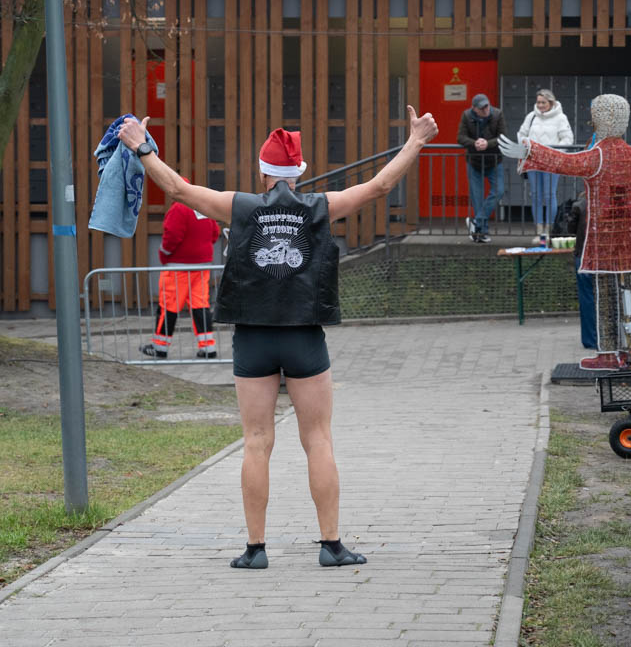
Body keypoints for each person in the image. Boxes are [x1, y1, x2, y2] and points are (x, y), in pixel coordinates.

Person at [118, 106, 439, 570]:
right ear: (299, 172)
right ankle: (331, 546)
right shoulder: (320, 206)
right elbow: (380, 187)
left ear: (263, 172)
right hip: (305, 337)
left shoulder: (240, 206)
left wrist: (142, 147)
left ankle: (255, 550)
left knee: (255, 441)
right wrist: (415, 141)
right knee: (319, 440)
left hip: (253, 338)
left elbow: (177, 189)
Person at [500, 94, 631, 372]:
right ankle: (626, 349)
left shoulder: (598, 156)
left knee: (606, 295)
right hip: (625, 238)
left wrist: (529, 151)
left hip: (602, 239)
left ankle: (608, 353)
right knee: (624, 294)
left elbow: (563, 162)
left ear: (602, 120)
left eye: (595, 116)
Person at [139, 192, 221, 359]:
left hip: (178, 267)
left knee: (168, 306)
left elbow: (172, 237)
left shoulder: (178, 209)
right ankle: (208, 347)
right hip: (202, 265)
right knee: (200, 305)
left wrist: (164, 254)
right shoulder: (200, 206)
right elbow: (215, 232)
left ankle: (160, 347)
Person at [517, 89, 574, 244]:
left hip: (550, 163)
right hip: (534, 161)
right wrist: (527, 146)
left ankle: (549, 230)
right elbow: (521, 134)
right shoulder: (531, 116)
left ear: (551, 102)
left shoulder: (561, 118)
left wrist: (552, 152)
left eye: (544, 102)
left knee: (549, 195)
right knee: (535, 194)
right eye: (538, 102)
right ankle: (539, 231)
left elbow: (568, 139)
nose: (540, 105)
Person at [457, 93, 505, 243]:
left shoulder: (497, 114)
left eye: (487, 106)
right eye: (482, 108)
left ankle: (476, 222)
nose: (485, 110)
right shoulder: (466, 116)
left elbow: (503, 137)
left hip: (494, 160)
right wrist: (474, 143)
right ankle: (481, 233)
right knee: (477, 198)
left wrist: (487, 144)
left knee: (499, 191)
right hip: (474, 161)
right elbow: (461, 137)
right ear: (474, 109)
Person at [565, 189, 596, 351]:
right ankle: (609, 335)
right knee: (609, 296)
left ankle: (590, 339)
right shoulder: (609, 203)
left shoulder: (579, 205)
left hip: (584, 255)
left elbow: (571, 229)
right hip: (604, 257)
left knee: (587, 298)